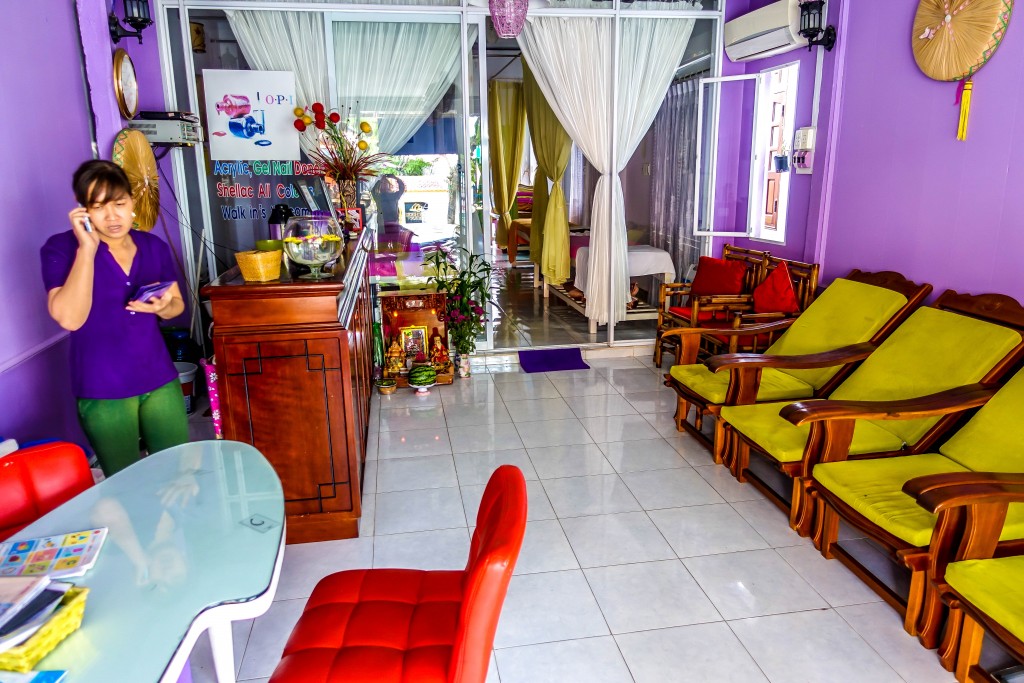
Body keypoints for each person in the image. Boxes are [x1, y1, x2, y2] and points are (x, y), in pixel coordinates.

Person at [41, 160, 189, 476]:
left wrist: (162, 307)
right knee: (124, 482)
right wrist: (87, 249)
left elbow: (177, 304)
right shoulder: (61, 248)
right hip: (102, 385)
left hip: (158, 377)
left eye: (119, 204)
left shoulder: (153, 247)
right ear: (82, 210)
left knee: (177, 474)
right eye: (99, 207)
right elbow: (69, 318)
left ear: (132, 201)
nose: (112, 217)